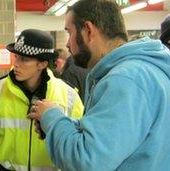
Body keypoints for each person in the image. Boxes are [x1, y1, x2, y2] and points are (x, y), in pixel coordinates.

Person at [28, 0, 170, 170]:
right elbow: (117, 141)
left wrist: (52, 117)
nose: (67, 44)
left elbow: (86, 161)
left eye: (69, 32)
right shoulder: (146, 71)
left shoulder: (125, 80)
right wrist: (62, 126)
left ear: (88, 30)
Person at [0, 29, 84, 171]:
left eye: (24, 59)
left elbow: (78, 149)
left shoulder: (69, 96)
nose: (16, 64)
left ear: (42, 64)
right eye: (16, 57)